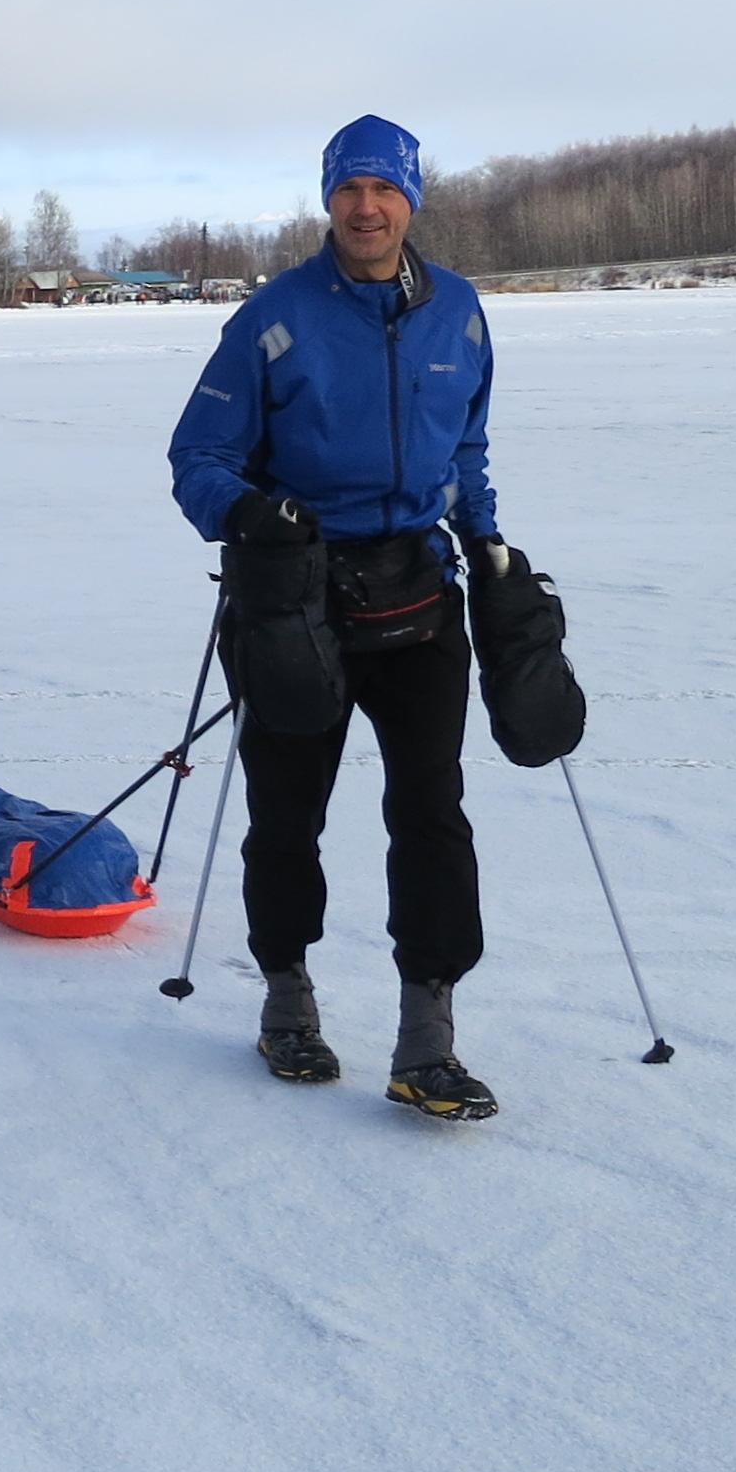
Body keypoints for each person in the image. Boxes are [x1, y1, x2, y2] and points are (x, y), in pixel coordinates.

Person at [166, 113, 506, 1120]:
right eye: (348, 189)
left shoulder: (460, 313)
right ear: (328, 201)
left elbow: (467, 448)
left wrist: (487, 547)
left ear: (411, 199)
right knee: (285, 820)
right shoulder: (273, 318)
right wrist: (246, 515)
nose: (365, 206)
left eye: (383, 189)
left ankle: (426, 1044)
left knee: (431, 815)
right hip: (291, 602)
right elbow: (197, 455)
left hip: (418, 595)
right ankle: (286, 1005)